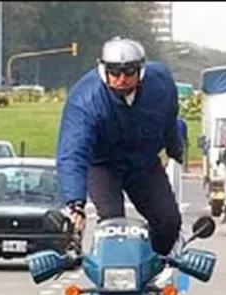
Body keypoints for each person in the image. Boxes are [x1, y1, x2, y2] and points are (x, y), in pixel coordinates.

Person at [56, 36, 184, 255]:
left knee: (169, 222)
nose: (122, 78)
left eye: (129, 72)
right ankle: (115, 274)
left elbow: (169, 119)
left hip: (143, 164)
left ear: (141, 71)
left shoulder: (161, 83)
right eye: (115, 72)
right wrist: (75, 201)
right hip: (103, 165)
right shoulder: (85, 100)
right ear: (103, 70)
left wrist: (174, 148)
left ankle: (151, 264)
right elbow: (72, 153)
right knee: (113, 224)